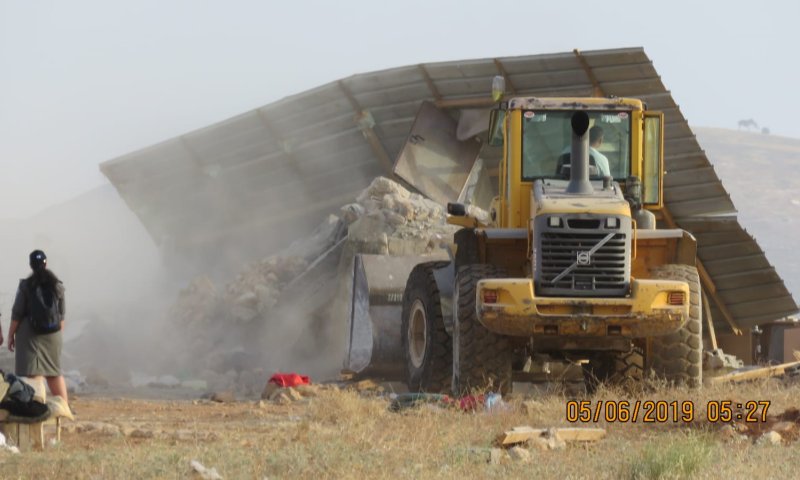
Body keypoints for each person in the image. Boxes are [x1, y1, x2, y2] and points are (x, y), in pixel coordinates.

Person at [8, 250, 69, 405]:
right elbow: (61, 316)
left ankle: (35, 408)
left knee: (31, 373)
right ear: (46, 263)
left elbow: (17, 313)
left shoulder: (25, 285)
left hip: (30, 335)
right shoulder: (57, 285)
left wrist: (11, 336)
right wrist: (56, 335)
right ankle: (64, 408)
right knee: (54, 373)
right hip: (53, 334)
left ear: (31, 265)